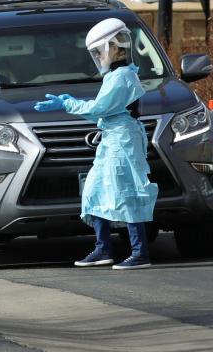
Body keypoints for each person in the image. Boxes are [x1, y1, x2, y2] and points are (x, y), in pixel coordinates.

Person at [34, 18, 157, 270]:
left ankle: (139, 251)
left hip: (122, 140)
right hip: (113, 138)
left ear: (113, 47)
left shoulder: (121, 76)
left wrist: (68, 103)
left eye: (100, 51)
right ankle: (103, 248)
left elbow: (99, 108)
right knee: (94, 190)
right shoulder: (118, 75)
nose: (99, 57)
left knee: (126, 192)